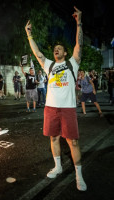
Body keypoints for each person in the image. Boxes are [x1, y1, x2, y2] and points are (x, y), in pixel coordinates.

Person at [25, 7, 87, 191]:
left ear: (65, 53)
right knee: (53, 138)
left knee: (73, 142)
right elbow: (37, 53)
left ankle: (79, 175)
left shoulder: (73, 63)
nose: (56, 50)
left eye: (59, 48)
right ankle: (58, 166)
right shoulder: (49, 66)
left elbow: (79, 44)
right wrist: (29, 35)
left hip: (67, 109)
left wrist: (79, 23)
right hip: (51, 108)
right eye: (54, 49)